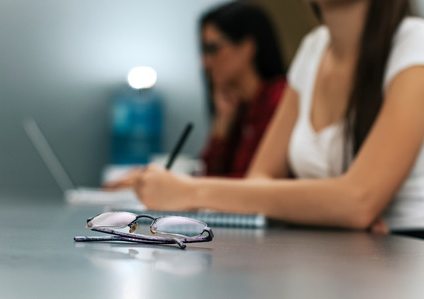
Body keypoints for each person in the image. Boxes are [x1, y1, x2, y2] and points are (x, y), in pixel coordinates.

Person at [108, 0, 424, 235]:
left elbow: (359, 200)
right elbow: (260, 177)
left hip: (403, 252)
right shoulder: (314, 49)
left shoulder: (414, 44)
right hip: (336, 252)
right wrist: (330, 210)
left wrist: (190, 191)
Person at [199, 2, 286, 177]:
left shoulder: (280, 98)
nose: (205, 63)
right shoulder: (238, 106)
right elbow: (209, 176)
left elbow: (249, 182)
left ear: (247, 47)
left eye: (213, 49)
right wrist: (222, 124)